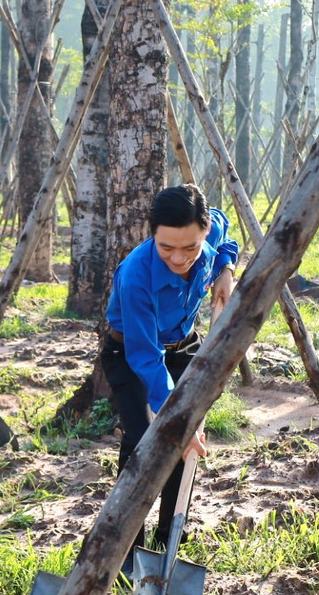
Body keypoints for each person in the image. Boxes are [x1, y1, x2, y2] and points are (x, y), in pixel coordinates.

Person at [101, 184, 239, 564]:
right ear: (152, 234)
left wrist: (225, 268)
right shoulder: (134, 276)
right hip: (131, 354)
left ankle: (168, 542)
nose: (179, 258)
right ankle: (127, 547)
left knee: (186, 447)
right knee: (142, 443)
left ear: (204, 229)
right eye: (167, 248)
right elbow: (145, 358)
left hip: (185, 349)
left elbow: (228, 234)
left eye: (191, 248)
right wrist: (178, 416)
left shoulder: (211, 229)